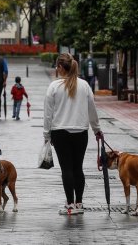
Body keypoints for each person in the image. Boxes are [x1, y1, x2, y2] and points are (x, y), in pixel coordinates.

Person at [43, 53, 103, 215]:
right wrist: (97, 130)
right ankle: (79, 203)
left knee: (66, 169)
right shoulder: (84, 86)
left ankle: (69, 204)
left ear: (61, 67)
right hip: (81, 133)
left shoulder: (54, 87)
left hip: (60, 133)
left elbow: (48, 114)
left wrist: (46, 135)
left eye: (57, 66)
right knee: (78, 168)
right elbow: (92, 110)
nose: (56, 69)